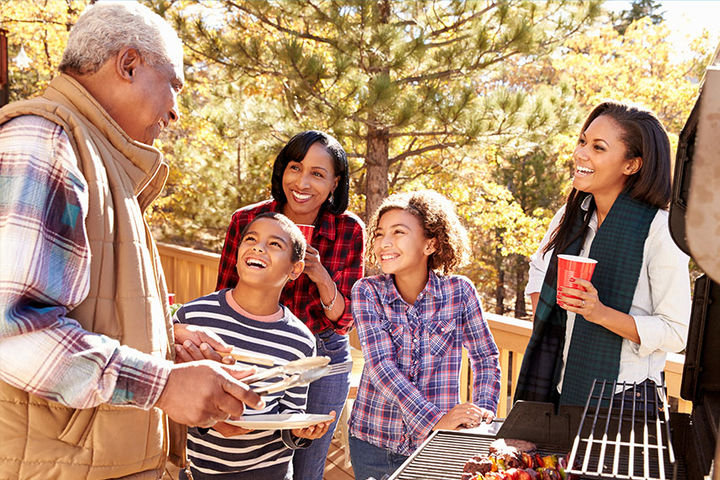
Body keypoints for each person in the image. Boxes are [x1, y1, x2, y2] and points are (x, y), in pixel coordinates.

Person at [0, 3, 262, 479]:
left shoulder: (99, 160)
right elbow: (11, 333)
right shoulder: (45, 141)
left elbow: (83, 304)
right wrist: (162, 385)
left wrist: (167, 339)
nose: (176, 109)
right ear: (128, 64)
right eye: (174, 85)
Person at [515, 101, 691, 407]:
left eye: (598, 147)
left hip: (625, 400)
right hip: (560, 388)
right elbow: (539, 268)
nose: (580, 153)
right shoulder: (572, 215)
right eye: (583, 141)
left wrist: (600, 314)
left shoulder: (660, 229)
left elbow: (676, 332)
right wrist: (547, 315)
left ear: (631, 165)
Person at [216, 130, 365, 480]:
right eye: (295, 168)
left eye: (317, 173)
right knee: (253, 457)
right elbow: (224, 297)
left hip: (323, 354)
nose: (302, 182)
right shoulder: (246, 221)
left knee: (307, 467)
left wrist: (319, 274)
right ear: (282, 170)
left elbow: (343, 322)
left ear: (334, 183)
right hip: (257, 350)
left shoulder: (348, 230)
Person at [348, 190, 501, 480]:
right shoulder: (367, 292)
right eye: (380, 234)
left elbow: (485, 359)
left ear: (430, 243)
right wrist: (436, 419)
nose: (385, 243)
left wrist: (480, 418)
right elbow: (382, 368)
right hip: (374, 444)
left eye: (398, 232)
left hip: (438, 446)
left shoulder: (460, 292)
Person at [174, 212, 334, 479]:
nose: (258, 247)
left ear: (295, 270)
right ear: (238, 255)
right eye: (251, 239)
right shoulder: (194, 317)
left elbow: (291, 413)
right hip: (198, 469)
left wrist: (300, 432)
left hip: (268, 470)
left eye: (275, 244)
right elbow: (172, 393)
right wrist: (211, 419)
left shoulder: (301, 340)